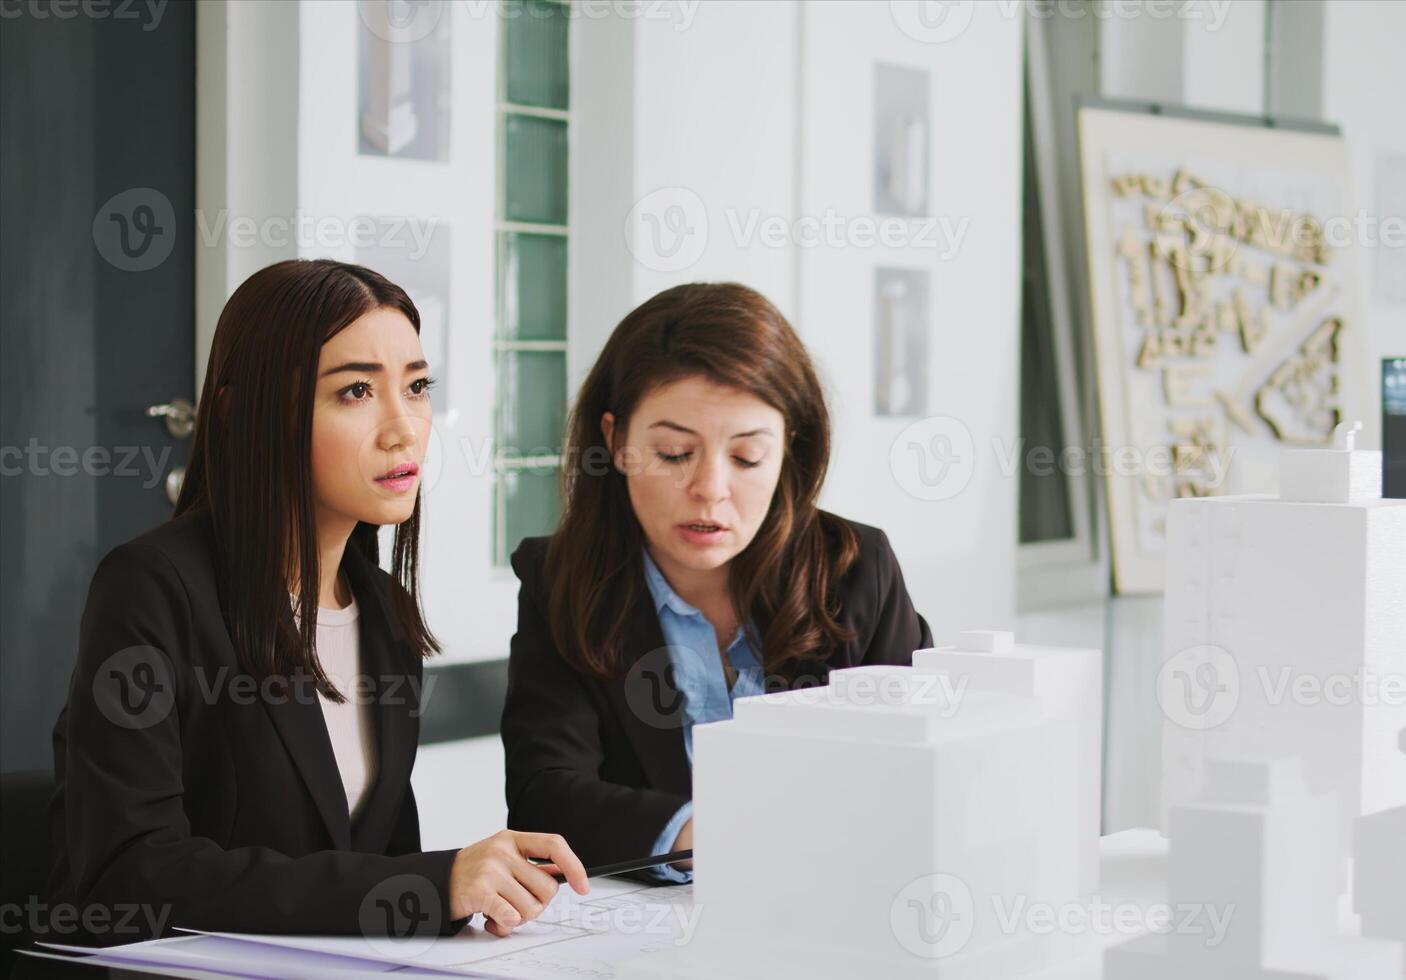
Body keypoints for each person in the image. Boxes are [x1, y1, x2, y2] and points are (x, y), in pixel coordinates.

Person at [46, 259, 588, 943]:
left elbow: (374, 863)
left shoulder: (383, 613)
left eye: (417, 387)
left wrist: (465, 895)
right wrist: (431, 882)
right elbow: (126, 874)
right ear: (242, 412)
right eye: (356, 391)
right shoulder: (151, 586)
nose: (403, 428)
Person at [502, 282, 933, 882]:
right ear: (616, 442)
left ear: (790, 449)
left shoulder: (855, 568)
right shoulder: (562, 580)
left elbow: (921, 767)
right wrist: (697, 833)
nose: (710, 487)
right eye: (675, 453)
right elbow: (544, 796)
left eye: (747, 457)